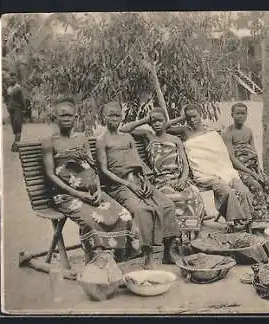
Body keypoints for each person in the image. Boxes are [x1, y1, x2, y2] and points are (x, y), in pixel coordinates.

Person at [42, 98, 140, 262]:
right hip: (67, 196)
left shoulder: (81, 138)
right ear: (55, 117)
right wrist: (79, 195)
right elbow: (51, 174)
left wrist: (99, 191)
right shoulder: (50, 142)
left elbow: (93, 168)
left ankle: (116, 256)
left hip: (92, 193)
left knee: (123, 215)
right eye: (62, 115)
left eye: (70, 116)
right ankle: (95, 258)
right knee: (91, 221)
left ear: (76, 118)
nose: (66, 119)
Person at [96, 102, 180, 268]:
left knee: (167, 204)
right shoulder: (102, 141)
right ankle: (148, 255)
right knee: (142, 210)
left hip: (138, 181)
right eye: (110, 115)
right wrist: (128, 184)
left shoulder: (127, 137)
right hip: (118, 185)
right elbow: (104, 171)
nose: (114, 118)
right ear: (103, 118)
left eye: (117, 115)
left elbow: (139, 163)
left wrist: (146, 180)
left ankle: (168, 252)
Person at [163, 104, 253, 232]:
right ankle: (236, 224)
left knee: (243, 190)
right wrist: (181, 118)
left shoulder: (210, 132)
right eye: (188, 118)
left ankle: (243, 222)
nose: (192, 120)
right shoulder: (185, 131)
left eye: (194, 116)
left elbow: (220, 154)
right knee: (227, 192)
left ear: (201, 115)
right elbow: (164, 127)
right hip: (203, 173)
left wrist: (223, 170)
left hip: (223, 169)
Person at [118, 108, 205, 234]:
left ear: (166, 121)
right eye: (154, 122)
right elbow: (123, 130)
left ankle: (189, 233)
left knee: (193, 196)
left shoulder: (175, 139)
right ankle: (176, 233)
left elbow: (185, 165)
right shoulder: (148, 136)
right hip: (160, 181)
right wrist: (145, 119)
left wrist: (183, 179)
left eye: (160, 121)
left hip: (177, 178)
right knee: (170, 199)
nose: (157, 124)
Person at [222, 103, 269, 229]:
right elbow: (232, 160)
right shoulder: (228, 133)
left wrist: (258, 171)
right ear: (232, 115)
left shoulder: (249, 131)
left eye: (243, 113)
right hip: (238, 169)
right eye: (238, 113)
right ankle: (259, 222)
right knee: (256, 186)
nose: (240, 116)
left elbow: (253, 153)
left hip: (252, 167)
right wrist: (251, 174)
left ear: (247, 115)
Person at [3, 74, 28, 152]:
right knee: (14, 127)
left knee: (17, 126)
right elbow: (6, 98)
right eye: (10, 78)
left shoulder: (18, 88)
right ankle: (16, 144)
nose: (11, 79)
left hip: (18, 109)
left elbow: (22, 100)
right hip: (11, 109)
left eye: (13, 78)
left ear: (16, 79)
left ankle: (16, 145)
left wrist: (24, 109)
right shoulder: (9, 88)